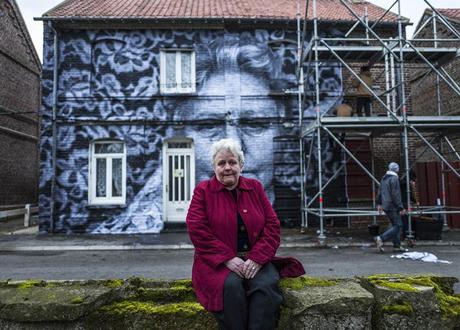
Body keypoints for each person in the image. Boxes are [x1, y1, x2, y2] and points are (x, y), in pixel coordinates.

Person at [186, 138, 305, 330]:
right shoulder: (203, 191)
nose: (227, 168)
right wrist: (227, 259)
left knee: (266, 287)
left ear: (241, 165)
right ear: (214, 167)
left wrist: (257, 258)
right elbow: (196, 228)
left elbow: (272, 226)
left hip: (255, 259)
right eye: (221, 163)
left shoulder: (255, 187)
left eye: (232, 162)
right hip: (217, 263)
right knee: (231, 288)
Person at [375, 162, 407, 253]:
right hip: (392, 205)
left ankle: (397, 245)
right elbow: (395, 194)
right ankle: (381, 238)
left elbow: (380, 191)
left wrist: (379, 204)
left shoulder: (384, 178)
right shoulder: (394, 178)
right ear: (396, 170)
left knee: (394, 224)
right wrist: (400, 207)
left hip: (385, 205)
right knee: (398, 225)